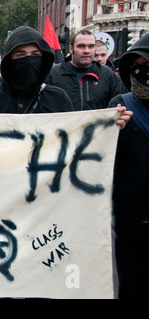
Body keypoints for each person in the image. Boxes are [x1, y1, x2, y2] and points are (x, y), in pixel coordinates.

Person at [108, 34, 149, 299]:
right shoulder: (120, 105)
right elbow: (105, 162)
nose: (142, 71)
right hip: (131, 219)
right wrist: (110, 131)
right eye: (136, 65)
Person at [0, 26, 74, 114]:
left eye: (35, 55)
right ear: (9, 60)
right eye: (21, 55)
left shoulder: (58, 98)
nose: (29, 61)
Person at [46, 30, 126, 111]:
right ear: (71, 48)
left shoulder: (107, 74)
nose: (86, 51)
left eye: (91, 46)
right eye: (81, 46)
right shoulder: (53, 74)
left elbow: (118, 105)